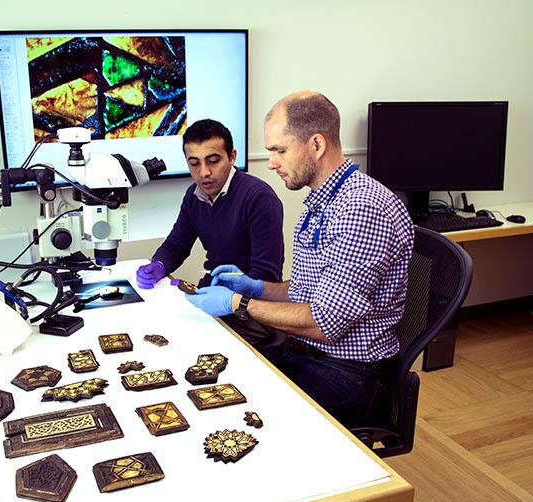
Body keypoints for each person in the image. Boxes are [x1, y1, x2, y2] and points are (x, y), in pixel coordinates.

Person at [186, 91, 413, 427]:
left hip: (350, 375)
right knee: (210, 382)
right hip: (307, 355)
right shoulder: (323, 202)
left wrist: (238, 303)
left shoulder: (360, 209)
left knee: (231, 418)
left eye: (279, 150)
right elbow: (312, 289)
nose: (272, 162)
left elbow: (323, 322)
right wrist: (258, 287)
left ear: (316, 145)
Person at [137, 119, 284, 345]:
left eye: (213, 161)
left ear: (232, 157)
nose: (204, 172)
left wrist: (227, 296)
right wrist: (159, 265)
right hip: (213, 292)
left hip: (252, 309)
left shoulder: (258, 197)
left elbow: (265, 277)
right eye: (194, 163)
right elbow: (177, 244)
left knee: (190, 344)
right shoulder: (193, 195)